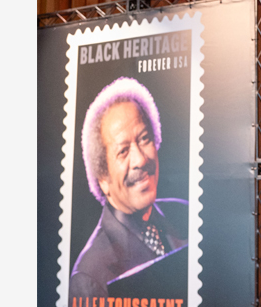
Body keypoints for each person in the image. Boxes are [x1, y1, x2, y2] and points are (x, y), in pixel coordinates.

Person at [69, 76, 188, 298]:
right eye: (123, 151)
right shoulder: (90, 277)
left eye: (144, 138)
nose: (140, 160)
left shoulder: (187, 214)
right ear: (102, 177)